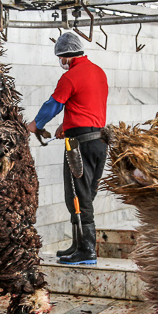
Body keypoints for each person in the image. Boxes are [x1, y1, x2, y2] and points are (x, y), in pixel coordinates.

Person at [27, 31, 109, 265]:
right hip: (99, 142)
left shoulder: (70, 77)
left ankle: (87, 251)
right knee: (86, 195)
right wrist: (66, 124)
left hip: (79, 145)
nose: (60, 62)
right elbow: (88, 105)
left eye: (60, 58)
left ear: (65, 56)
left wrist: (35, 124)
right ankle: (78, 244)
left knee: (76, 195)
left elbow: (53, 105)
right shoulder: (98, 72)